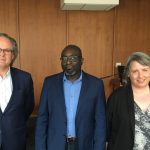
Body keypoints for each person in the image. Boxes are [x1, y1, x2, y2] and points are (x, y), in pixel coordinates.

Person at [35, 44, 106, 150]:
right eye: (64, 58)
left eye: (73, 58)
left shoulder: (96, 85)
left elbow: (100, 121)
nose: (68, 62)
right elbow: (42, 119)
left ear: (82, 60)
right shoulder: (49, 83)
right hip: (55, 145)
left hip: (84, 145)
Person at [106, 52, 150, 150]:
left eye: (145, 70)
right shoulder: (116, 97)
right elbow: (106, 131)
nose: (140, 75)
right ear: (128, 74)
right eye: (135, 71)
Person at [0, 33, 34, 150]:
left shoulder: (25, 78)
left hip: (15, 141)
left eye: (7, 50)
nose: (2, 54)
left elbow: (28, 108)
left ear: (13, 54)